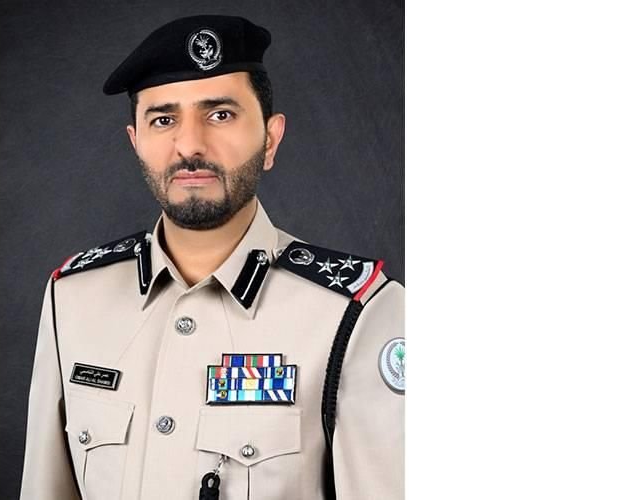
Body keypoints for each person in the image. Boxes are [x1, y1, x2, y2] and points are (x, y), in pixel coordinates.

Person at [20, 14, 404, 500]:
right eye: (164, 119)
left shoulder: (357, 313)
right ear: (136, 142)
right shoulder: (73, 298)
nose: (189, 145)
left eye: (220, 114)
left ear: (270, 138)